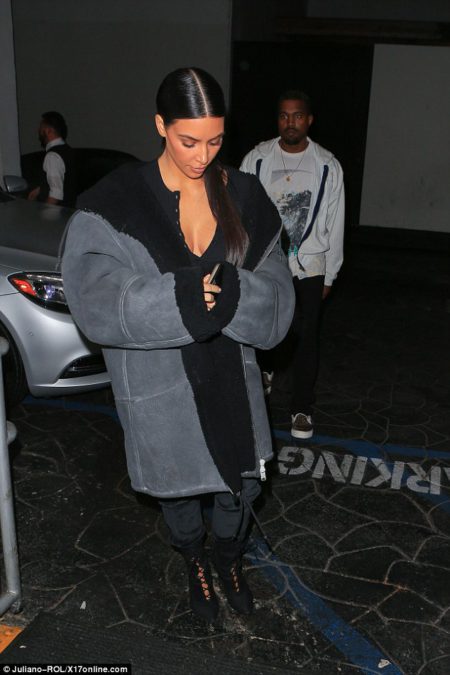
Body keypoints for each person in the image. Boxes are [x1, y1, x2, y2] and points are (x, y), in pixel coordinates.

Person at [61, 68, 295, 622]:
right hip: (161, 382)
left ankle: (229, 559)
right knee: (179, 493)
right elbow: (94, 297)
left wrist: (234, 293)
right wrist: (182, 298)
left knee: (239, 491)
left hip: (231, 380)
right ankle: (195, 562)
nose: (202, 156)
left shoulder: (245, 195)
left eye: (215, 141)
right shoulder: (115, 201)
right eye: (189, 141)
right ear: (160, 125)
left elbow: (279, 296)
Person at [240, 90, 344, 439]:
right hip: (266, 262)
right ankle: (265, 371)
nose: (290, 122)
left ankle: (302, 408)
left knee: (307, 336)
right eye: (284, 116)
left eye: (297, 116)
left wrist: (330, 273)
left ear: (309, 120)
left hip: (309, 263)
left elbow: (336, 222)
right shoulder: (257, 159)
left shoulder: (327, 165)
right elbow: (241, 212)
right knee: (265, 325)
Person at [28, 111, 77, 207]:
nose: (39, 132)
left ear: (48, 131)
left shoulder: (52, 156)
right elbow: (64, 180)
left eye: (41, 128)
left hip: (59, 214)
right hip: (69, 211)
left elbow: (55, 195)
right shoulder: (68, 150)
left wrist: (44, 214)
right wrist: (40, 189)